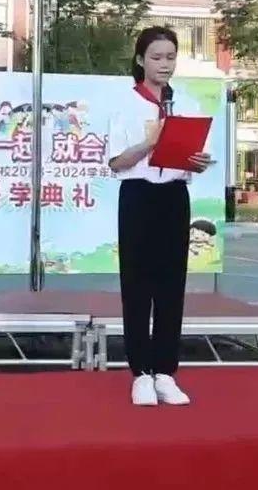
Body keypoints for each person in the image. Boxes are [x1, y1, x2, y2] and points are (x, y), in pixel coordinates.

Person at [106, 26, 212, 407]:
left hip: (174, 197)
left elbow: (192, 156)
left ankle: (166, 372)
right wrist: (149, 143)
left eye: (170, 57)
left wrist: (198, 162)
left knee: (171, 285)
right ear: (140, 60)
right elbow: (116, 162)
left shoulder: (186, 103)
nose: (164, 64)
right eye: (156, 57)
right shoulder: (125, 104)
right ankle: (141, 374)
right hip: (138, 196)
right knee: (137, 285)